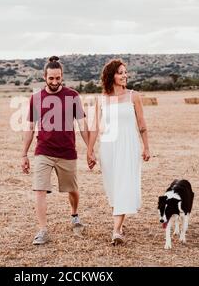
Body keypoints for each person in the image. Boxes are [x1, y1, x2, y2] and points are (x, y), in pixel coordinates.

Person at [21, 56, 93, 245]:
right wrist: (23, 154)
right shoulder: (36, 98)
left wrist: (90, 150)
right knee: (40, 189)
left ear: (62, 76)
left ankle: (75, 215)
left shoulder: (73, 96)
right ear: (44, 76)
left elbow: (82, 126)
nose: (54, 82)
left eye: (58, 78)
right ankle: (43, 230)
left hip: (67, 151)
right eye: (51, 78)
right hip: (43, 150)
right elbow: (29, 127)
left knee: (73, 190)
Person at [87, 59, 150, 245]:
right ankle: (120, 222)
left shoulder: (134, 96)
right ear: (111, 76)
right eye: (120, 72)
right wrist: (89, 151)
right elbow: (94, 128)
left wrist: (146, 146)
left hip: (129, 146)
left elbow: (142, 124)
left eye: (125, 72)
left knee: (124, 185)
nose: (124, 75)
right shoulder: (101, 100)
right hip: (108, 148)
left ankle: (116, 231)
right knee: (113, 188)